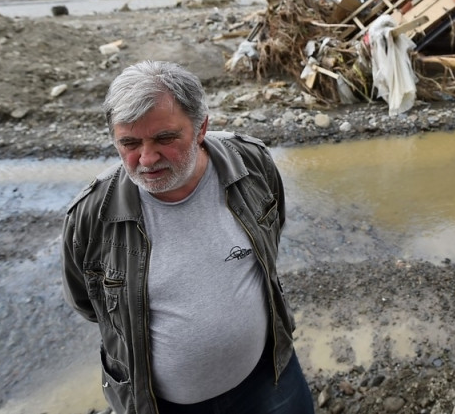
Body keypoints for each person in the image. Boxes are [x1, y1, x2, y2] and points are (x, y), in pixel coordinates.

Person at [61, 60, 313, 414]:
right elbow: (89, 305)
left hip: (270, 376)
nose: (146, 159)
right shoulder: (90, 217)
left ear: (201, 128)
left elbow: (271, 234)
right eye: (129, 143)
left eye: (165, 138)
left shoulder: (252, 163)